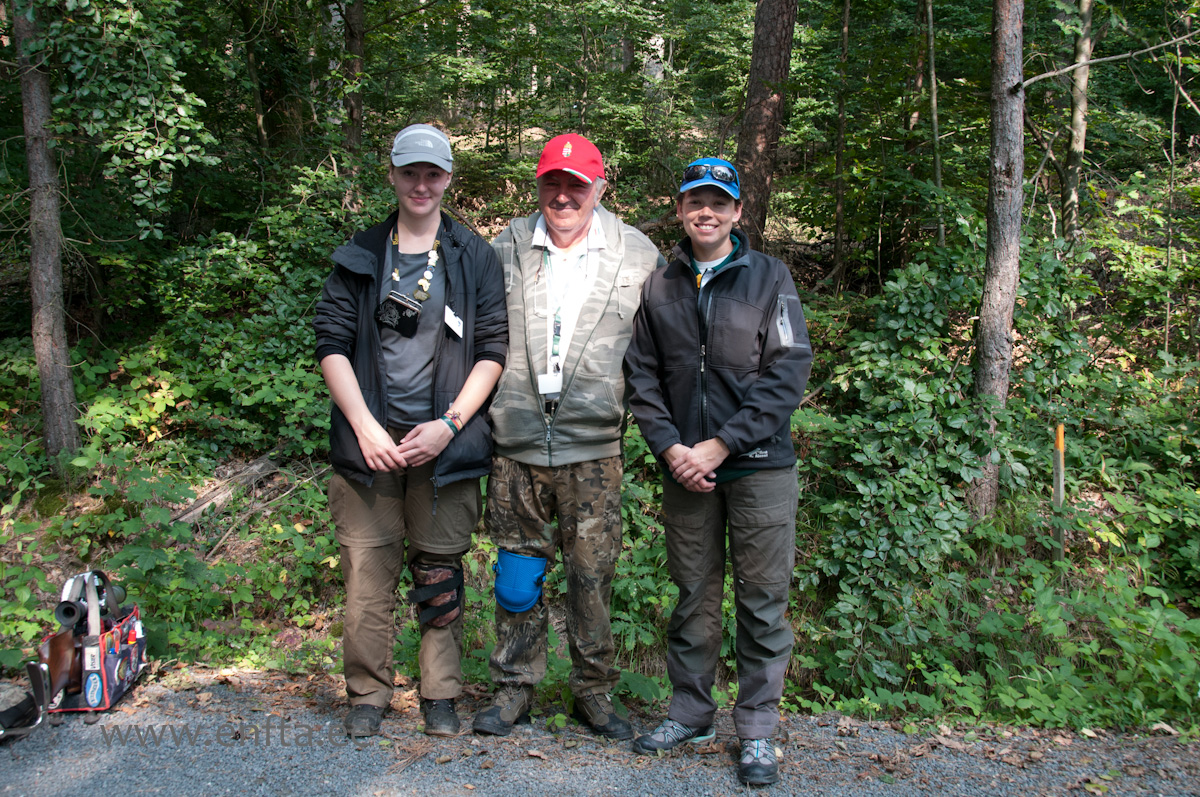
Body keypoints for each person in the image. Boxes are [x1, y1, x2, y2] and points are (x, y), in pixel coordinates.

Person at [313, 124, 507, 738]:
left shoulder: (473, 254)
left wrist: (450, 425)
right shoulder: (363, 251)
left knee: (440, 570)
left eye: (434, 173)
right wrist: (366, 428)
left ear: (449, 178)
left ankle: (439, 695)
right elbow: (332, 343)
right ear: (392, 175)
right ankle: (367, 695)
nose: (422, 184)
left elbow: (493, 350)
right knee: (368, 575)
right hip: (370, 444)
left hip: (443, 446)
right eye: (410, 172)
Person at [622, 157, 812, 785]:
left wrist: (722, 445)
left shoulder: (770, 278)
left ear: (737, 212)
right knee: (693, 597)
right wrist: (671, 448)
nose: (705, 211)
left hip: (758, 468)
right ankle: (691, 711)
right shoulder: (660, 285)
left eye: (717, 201)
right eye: (693, 201)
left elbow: (788, 373)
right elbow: (641, 375)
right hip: (685, 472)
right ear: (679, 210)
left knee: (762, 602)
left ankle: (756, 730)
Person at [472, 133, 664, 740]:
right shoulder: (504, 247)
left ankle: (595, 692)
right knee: (517, 575)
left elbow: (661, 353)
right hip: (518, 443)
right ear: (538, 185)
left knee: (592, 576)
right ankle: (513, 688)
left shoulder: (636, 254)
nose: (563, 196)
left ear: (599, 188)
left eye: (575, 185)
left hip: (594, 446)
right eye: (552, 183)